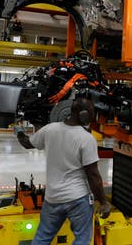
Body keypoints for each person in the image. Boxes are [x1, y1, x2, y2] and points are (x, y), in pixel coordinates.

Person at [16, 98, 110, 245]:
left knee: (42, 237)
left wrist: (19, 133)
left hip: (52, 198)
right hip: (78, 200)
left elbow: (28, 144)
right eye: (92, 113)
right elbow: (93, 175)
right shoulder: (86, 139)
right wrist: (103, 202)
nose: (93, 117)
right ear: (84, 115)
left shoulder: (50, 129)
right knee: (82, 239)